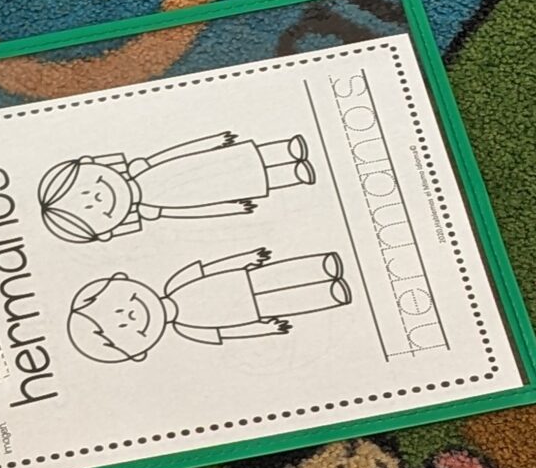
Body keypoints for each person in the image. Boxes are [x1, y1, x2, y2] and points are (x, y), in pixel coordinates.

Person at [66, 249, 351, 362]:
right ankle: (329, 293)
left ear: (122, 279)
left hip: (241, 279)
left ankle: (319, 267)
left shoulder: (177, 282)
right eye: (121, 327)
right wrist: (265, 329)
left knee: (279, 275)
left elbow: (210, 268)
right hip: (248, 313)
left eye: (118, 310)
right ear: (137, 353)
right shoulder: (190, 330)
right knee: (286, 302)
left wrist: (245, 258)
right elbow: (226, 334)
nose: (129, 316)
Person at [38, 133, 313, 242]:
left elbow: (178, 152)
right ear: (106, 233)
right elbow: (192, 212)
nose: (96, 198)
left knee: (236, 158)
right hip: (190, 196)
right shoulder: (155, 210)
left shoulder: (146, 165)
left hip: (196, 164)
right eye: (90, 210)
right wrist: (228, 208)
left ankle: (283, 151)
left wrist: (214, 141)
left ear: (89, 163)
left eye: (87, 191)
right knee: (239, 184)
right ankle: (292, 173)